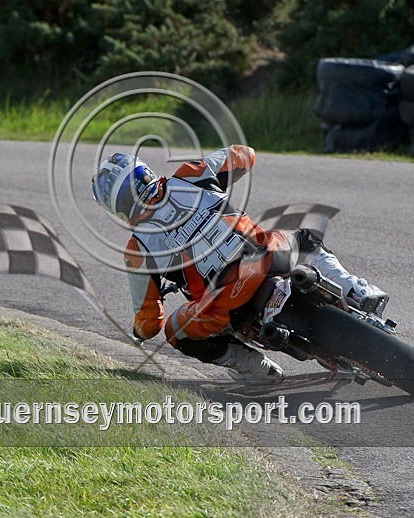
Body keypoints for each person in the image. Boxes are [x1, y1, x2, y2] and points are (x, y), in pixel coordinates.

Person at [92, 145, 388, 384]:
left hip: (225, 304)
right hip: (268, 255)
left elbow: (150, 322)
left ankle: (255, 367)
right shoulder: (191, 174)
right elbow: (245, 154)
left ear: (117, 209)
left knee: (175, 331)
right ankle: (356, 289)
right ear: (146, 172)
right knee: (304, 239)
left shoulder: (138, 248)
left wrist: (139, 332)